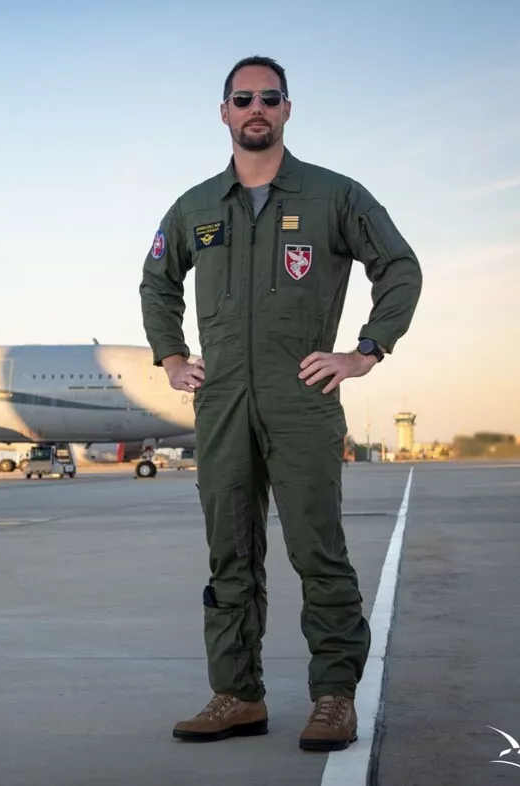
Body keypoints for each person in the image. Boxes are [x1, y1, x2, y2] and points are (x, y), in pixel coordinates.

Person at [138, 55, 422, 752]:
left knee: (318, 552)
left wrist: (364, 352)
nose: (255, 108)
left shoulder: (336, 196)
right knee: (229, 556)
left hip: (303, 400)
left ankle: (333, 698)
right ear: (225, 112)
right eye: (243, 98)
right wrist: (172, 357)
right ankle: (236, 695)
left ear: (288, 110)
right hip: (223, 403)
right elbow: (156, 281)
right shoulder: (195, 207)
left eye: (270, 97)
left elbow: (399, 267)